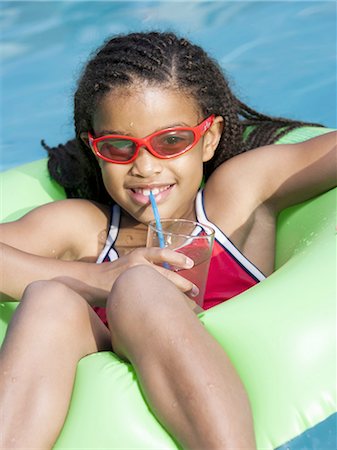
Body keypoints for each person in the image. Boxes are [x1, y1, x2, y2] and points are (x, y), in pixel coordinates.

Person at [0, 31, 335, 450]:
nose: (144, 166)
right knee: (49, 299)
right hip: (100, 348)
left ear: (208, 138)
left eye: (172, 141)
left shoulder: (236, 200)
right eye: (120, 147)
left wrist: (128, 283)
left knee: (141, 288)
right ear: (94, 148)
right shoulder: (86, 228)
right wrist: (98, 279)